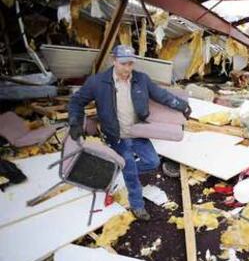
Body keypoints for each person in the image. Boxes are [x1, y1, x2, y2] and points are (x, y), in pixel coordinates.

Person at [68, 45, 191, 220]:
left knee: (153, 161)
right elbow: (76, 102)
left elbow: (161, 95)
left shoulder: (141, 79)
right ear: (114, 60)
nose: (127, 68)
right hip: (116, 136)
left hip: (137, 131)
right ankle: (137, 204)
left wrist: (182, 106)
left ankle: (118, 169)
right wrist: (75, 122)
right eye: (123, 64)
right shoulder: (97, 82)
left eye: (130, 64)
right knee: (131, 171)